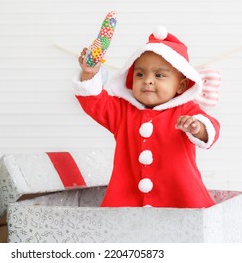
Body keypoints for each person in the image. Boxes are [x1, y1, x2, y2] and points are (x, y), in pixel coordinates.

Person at [73, 26, 220, 208]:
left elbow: (212, 128)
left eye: (159, 75)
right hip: (128, 199)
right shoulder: (122, 111)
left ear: (181, 86)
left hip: (178, 197)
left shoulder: (185, 111)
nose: (147, 80)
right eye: (140, 74)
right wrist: (89, 73)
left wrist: (197, 127)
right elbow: (94, 102)